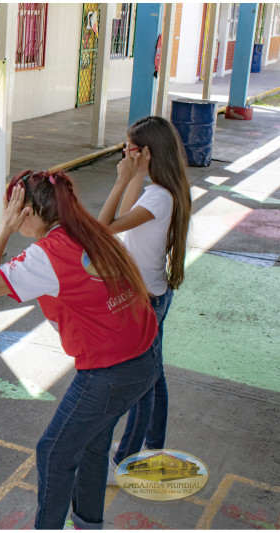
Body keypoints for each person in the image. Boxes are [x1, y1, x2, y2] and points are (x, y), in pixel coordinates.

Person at [0, 170, 160, 529]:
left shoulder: (47, 256)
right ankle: (89, 523)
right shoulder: (87, 229)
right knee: (91, 444)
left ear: (25, 212)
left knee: (54, 452)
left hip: (111, 371)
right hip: (143, 358)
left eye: (11, 208)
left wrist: (4, 230)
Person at [98, 116, 191, 479]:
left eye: (130, 150)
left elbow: (106, 226)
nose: (124, 154)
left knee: (142, 381)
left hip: (146, 300)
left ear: (147, 152)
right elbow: (124, 216)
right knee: (154, 373)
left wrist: (123, 178)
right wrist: (135, 173)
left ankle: (126, 458)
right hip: (154, 293)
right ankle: (154, 442)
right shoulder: (159, 189)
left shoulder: (159, 197)